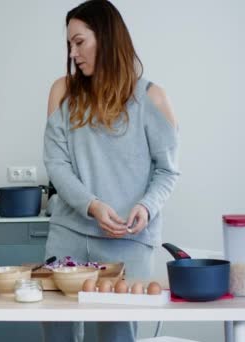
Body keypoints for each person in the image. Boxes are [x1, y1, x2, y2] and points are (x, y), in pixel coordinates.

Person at [43, 1, 180, 341]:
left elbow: (167, 171)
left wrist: (146, 207)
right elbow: (56, 164)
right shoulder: (63, 92)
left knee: (117, 335)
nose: (73, 53)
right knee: (57, 332)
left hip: (128, 242)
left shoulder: (153, 98)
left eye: (80, 42)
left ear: (105, 38)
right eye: (69, 45)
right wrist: (91, 204)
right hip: (69, 234)